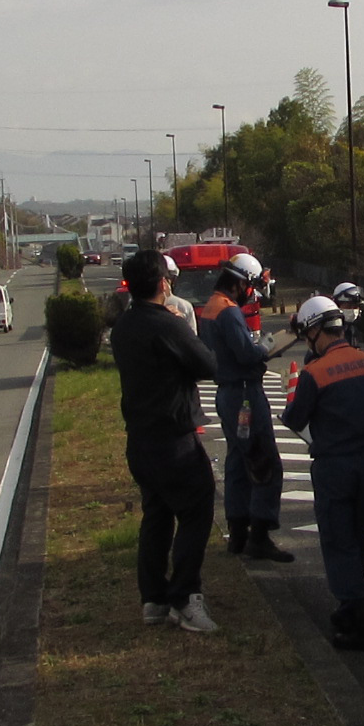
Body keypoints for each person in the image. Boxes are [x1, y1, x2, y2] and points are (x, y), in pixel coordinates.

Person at [110, 249, 221, 634]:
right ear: (162, 283)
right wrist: (182, 330)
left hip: (139, 438)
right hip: (174, 438)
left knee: (156, 516)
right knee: (197, 509)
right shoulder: (167, 324)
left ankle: (153, 599)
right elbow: (207, 364)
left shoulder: (124, 326)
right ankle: (185, 597)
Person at [279, 294, 364, 651]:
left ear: (313, 331)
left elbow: (296, 419)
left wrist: (286, 406)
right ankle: (359, 598)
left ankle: (357, 618)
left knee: (337, 540)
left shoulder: (314, 373)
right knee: (357, 538)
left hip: (334, 467)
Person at [197, 252, 291, 563]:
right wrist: (267, 346)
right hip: (244, 394)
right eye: (250, 288)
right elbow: (246, 354)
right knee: (264, 462)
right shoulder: (229, 311)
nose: (252, 294)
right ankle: (260, 536)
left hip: (226, 393)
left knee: (238, 462)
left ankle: (237, 535)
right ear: (241, 285)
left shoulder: (211, 307)